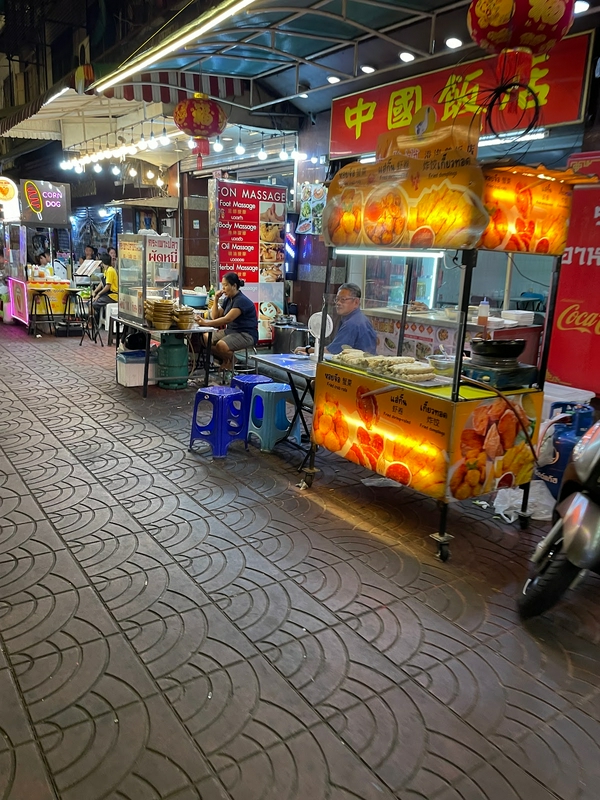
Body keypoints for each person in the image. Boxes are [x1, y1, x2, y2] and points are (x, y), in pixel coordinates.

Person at [195, 271, 257, 372]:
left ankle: (232, 360)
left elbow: (227, 319)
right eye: (222, 286)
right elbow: (215, 316)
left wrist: (205, 323)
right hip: (231, 331)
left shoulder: (241, 300)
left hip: (245, 334)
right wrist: (215, 298)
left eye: (225, 285)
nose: (223, 289)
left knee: (221, 345)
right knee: (205, 338)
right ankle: (228, 359)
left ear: (234, 286)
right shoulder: (228, 299)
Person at [295, 283, 377, 356]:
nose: (338, 303)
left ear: (356, 302)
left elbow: (331, 352)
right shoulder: (358, 318)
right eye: (337, 299)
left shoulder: (352, 323)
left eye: (343, 299)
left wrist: (306, 349)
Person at [91, 253, 118, 323]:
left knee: (93, 303)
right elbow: (102, 282)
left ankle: (92, 322)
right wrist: (95, 291)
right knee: (91, 301)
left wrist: (98, 295)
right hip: (108, 294)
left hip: (113, 296)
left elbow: (107, 286)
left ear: (102, 262)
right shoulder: (107, 270)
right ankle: (96, 319)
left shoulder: (110, 271)